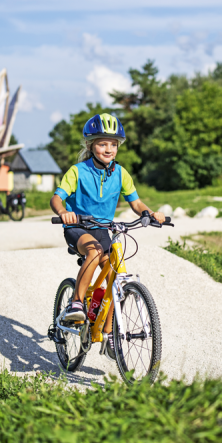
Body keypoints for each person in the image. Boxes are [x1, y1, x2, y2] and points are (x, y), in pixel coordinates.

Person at [50, 113, 164, 328]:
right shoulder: (77, 171)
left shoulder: (121, 173)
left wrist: (150, 213)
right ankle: (76, 304)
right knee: (93, 252)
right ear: (90, 145)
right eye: (102, 144)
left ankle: (110, 332)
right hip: (78, 228)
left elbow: (137, 203)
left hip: (103, 230)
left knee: (115, 277)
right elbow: (56, 198)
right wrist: (63, 211)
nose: (109, 149)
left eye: (113, 144)